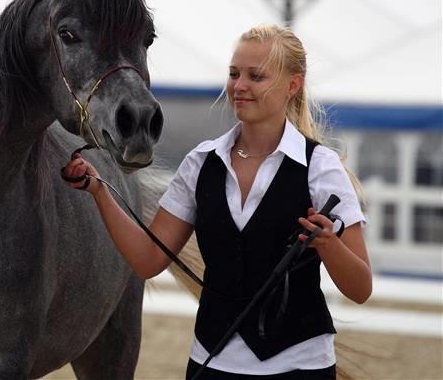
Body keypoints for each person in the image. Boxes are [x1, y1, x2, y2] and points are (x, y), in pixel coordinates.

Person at [64, 24, 372, 379]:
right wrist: (100, 191)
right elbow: (148, 261)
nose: (240, 86)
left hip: (300, 366)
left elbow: (360, 288)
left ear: (293, 85)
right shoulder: (200, 163)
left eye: (256, 76)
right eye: (234, 74)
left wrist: (329, 244)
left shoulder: (321, 168)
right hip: (211, 363)